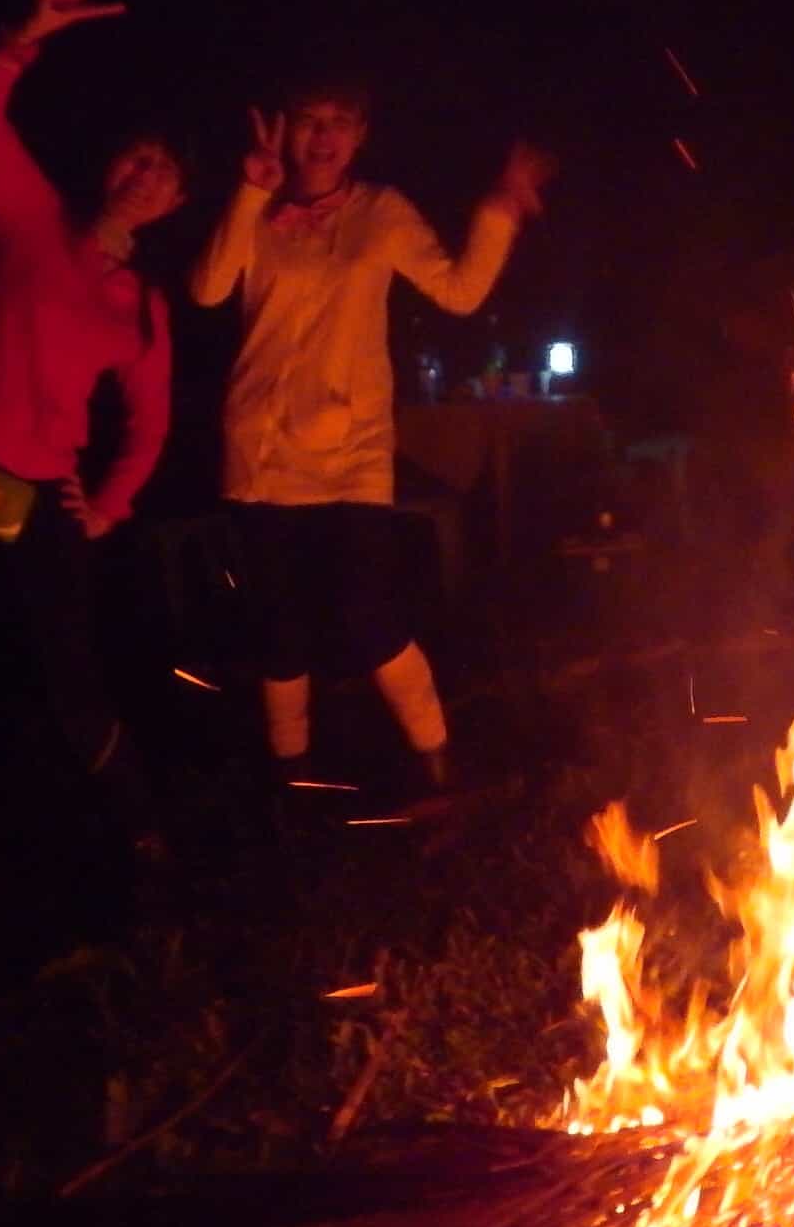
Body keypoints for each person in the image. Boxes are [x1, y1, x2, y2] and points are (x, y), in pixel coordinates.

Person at [0, 0, 182, 898]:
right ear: (110, 168)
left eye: (166, 173)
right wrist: (24, 37)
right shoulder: (30, 215)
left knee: (72, 673)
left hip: (36, 493)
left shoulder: (139, 306)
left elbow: (151, 420)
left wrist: (106, 508)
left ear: (174, 205)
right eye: (136, 159)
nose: (146, 178)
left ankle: (143, 842)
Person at [189, 81, 552, 799]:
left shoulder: (380, 213)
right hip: (261, 452)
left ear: (360, 136)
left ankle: (436, 761)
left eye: (341, 123)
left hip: (352, 450)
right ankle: (289, 772)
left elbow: (459, 291)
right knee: (278, 627)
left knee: (368, 617)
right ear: (284, 131)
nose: (324, 136)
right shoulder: (257, 207)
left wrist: (499, 210)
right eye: (308, 120)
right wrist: (247, 195)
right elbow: (205, 290)